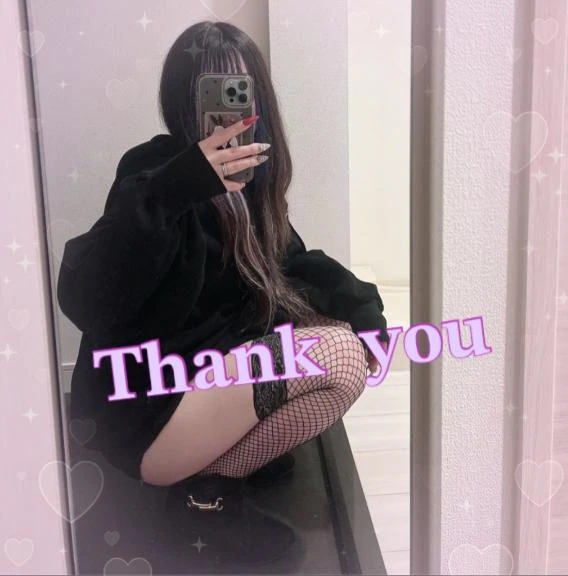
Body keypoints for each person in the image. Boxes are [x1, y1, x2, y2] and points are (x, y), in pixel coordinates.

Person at [57, 20, 389, 566]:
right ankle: (202, 495)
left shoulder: (253, 180)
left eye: (241, 90)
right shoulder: (152, 173)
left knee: (340, 334)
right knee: (340, 359)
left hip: (200, 383)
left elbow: (291, 262)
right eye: (212, 92)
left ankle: (222, 456)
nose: (229, 110)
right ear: (183, 99)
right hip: (147, 410)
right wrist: (177, 188)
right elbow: (86, 296)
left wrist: (360, 306)